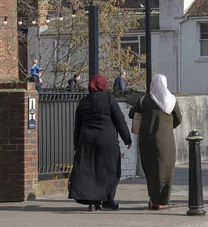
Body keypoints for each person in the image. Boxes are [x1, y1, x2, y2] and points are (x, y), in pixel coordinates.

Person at [68, 75, 132, 211]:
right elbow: (120, 120)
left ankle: (93, 202)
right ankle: (108, 200)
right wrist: (127, 139)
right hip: (106, 139)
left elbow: (77, 125)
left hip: (86, 139)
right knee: (109, 169)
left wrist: (76, 143)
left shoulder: (83, 101)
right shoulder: (109, 99)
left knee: (90, 171)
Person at [129, 74, 182, 210]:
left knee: (151, 170)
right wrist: (169, 126)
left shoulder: (144, 100)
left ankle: (153, 199)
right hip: (166, 141)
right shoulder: (172, 100)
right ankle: (162, 201)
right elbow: (179, 119)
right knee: (166, 170)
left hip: (147, 140)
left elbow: (131, 113)